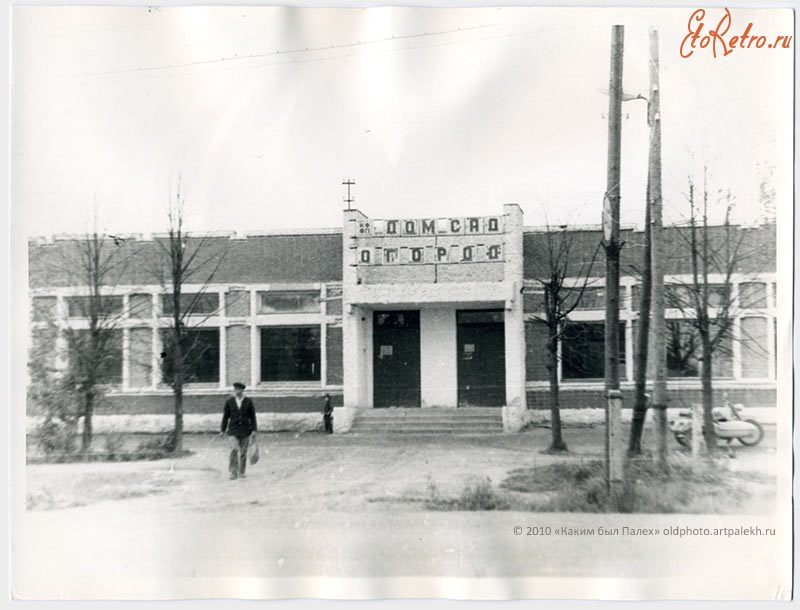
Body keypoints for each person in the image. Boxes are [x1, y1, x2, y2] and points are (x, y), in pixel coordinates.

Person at [220, 382, 257, 480]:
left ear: (242, 390)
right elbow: (225, 417)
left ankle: (241, 471)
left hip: (245, 430)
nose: (237, 391)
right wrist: (222, 430)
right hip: (233, 430)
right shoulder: (229, 402)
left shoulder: (248, 402)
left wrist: (254, 430)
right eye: (235, 389)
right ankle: (233, 472)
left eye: (239, 389)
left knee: (243, 452)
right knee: (234, 450)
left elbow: (252, 417)